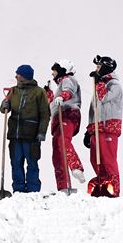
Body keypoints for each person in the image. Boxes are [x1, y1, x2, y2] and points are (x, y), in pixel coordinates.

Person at [0, 65, 50, 193]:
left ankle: (33, 190)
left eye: (18, 74)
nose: (16, 76)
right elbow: (4, 109)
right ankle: (19, 190)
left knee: (32, 163)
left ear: (25, 76)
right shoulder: (13, 91)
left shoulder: (39, 92)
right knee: (15, 163)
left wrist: (42, 132)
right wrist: (4, 105)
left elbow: (45, 114)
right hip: (15, 134)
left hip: (32, 135)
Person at [84, 55, 123, 197]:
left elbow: (105, 98)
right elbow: (93, 110)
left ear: (106, 68)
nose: (97, 70)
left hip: (109, 128)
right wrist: (89, 131)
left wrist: (99, 82)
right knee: (95, 159)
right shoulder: (99, 84)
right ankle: (103, 184)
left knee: (108, 159)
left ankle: (114, 189)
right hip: (97, 128)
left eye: (99, 67)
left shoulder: (114, 85)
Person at [45, 60, 85, 192]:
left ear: (62, 70)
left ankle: (76, 167)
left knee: (63, 141)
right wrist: (50, 94)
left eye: (55, 70)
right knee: (57, 153)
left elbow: (69, 91)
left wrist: (63, 96)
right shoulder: (60, 85)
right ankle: (63, 186)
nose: (52, 73)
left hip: (68, 113)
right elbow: (54, 103)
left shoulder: (68, 79)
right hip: (58, 118)